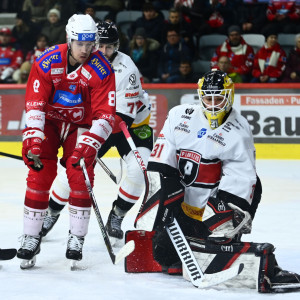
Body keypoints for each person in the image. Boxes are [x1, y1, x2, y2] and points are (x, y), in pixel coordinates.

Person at [130, 70, 300, 293]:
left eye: (218, 98)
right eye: (208, 98)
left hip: (213, 208)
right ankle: (194, 239)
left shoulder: (238, 131)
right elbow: (160, 166)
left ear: (228, 97)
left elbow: (242, 180)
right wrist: (161, 206)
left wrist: (218, 225)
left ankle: (220, 236)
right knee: (164, 255)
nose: (212, 104)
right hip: (183, 207)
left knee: (214, 244)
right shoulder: (179, 116)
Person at [16, 14, 116, 268]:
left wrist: (90, 143)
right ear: (69, 39)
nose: (85, 50)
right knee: (39, 174)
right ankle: (30, 237)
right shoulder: (47, 60)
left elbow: (106, 114)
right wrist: (33, 140)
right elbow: (35, 104)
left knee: (80, 175)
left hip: (80, 126)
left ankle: (76, 238)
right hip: (49, 123)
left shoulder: (102, 69)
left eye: (90, 44)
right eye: (79, 43)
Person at [41, 21, 153, 244]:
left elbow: (122, 117)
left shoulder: (126, 68)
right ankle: (50, 213)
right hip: (95, 123)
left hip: (129, 125)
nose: (104, 51)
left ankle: (117, 215)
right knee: (73, 170)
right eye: (99, 46)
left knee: (140, 169)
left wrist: (89, 139)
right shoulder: (77, 62)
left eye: (109, 47)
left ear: (117, 46)